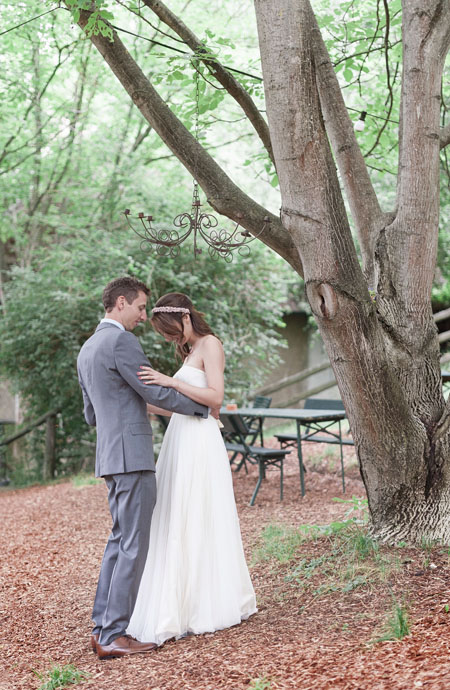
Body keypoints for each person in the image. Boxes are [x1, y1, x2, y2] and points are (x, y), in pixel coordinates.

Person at [77, 278, 208, 660]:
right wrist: (202, 409)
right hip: (132, 456)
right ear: (121, 302)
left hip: (110, 456)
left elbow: (90, 414)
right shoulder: (121, 341)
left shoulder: (88, 349)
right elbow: (151, 390)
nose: (140, 315)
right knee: (133, 544)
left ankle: (102, 627)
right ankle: (114, 634)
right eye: (138, 307)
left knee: (120, 540)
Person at [127, 292, 257, 646]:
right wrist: (145, 404)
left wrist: (169, 382)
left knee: (199, 511)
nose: (172, 340)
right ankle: (180, 599)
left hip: (201, 441)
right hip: (181, 438)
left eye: (172, 332)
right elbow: (184, 407)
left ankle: (208, 602)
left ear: (186, 318)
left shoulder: (211, 344)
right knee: (176, 514)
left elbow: (215, 399)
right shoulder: (188, 352)